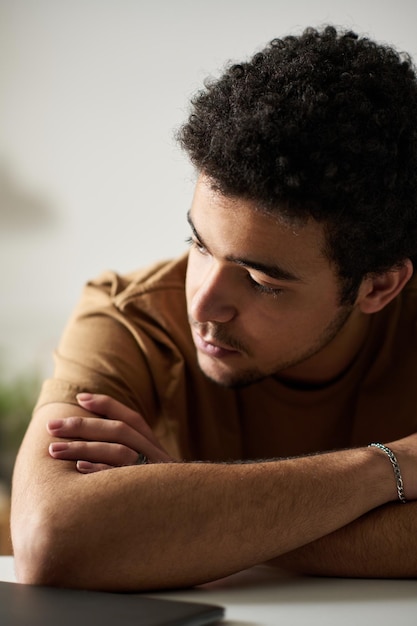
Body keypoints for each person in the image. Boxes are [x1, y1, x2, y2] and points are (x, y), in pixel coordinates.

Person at [11, 25, 417, 590]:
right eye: (198, 245)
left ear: (379, 288)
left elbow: (106, 535)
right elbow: (51, 540)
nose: (201, 302)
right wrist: (388, 468)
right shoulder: (128, 316)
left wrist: (180, 510)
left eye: (260, 281)